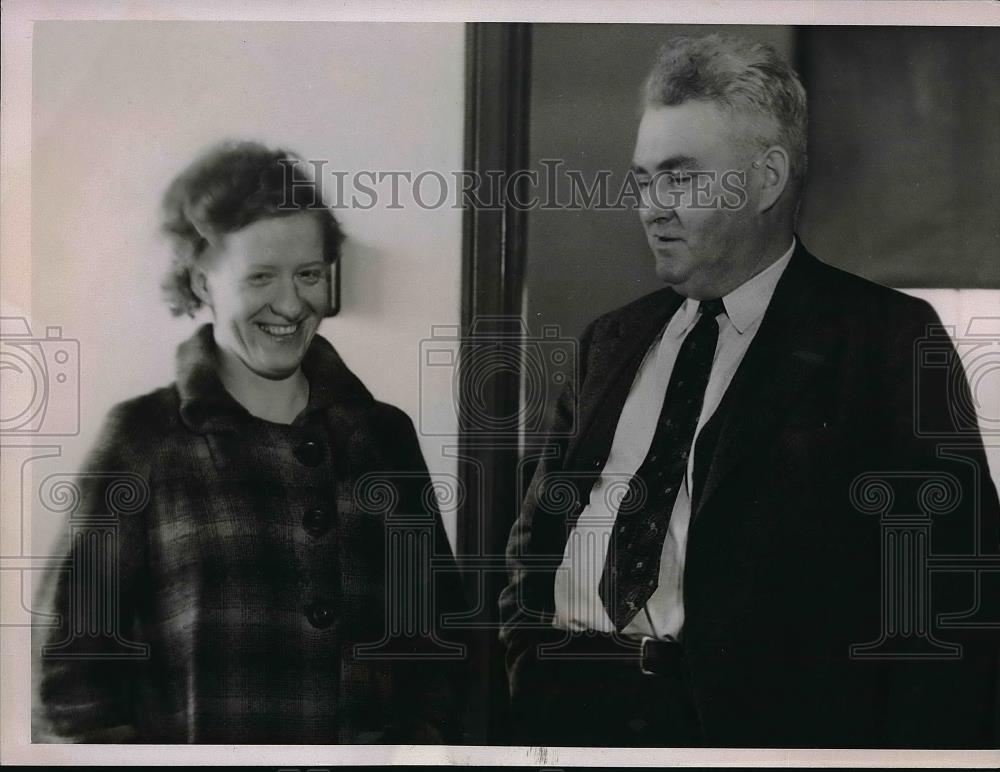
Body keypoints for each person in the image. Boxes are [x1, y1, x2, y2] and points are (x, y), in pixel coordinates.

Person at [499, 34, 999, 748]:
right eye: (642, 179)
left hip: (747, 735)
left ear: (766, 180)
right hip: (569, 716)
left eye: (680, 178)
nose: (651, 206)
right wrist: (527, 661)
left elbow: (952, 604)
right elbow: (536, 539)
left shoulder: (884, 339)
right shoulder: (609, 340)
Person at [33, 141, 466, 744]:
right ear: (201, 279)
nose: (291, 305)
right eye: (260, 276)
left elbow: (439, 648)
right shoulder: (141, 441)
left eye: (308, 274)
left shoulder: (384, 437)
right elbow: (70, 686)